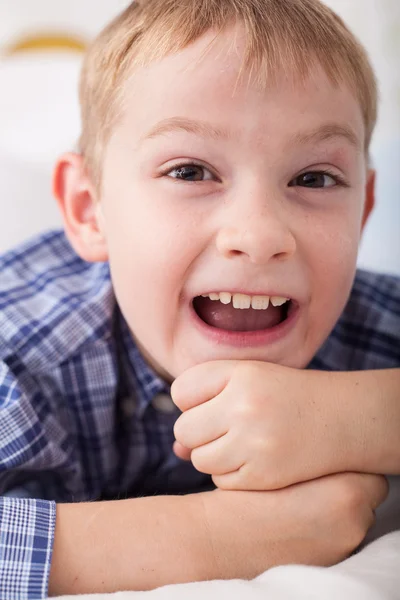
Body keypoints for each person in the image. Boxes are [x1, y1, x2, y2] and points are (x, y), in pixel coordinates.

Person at [0, 0, 399, 597]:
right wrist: (217, 536)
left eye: (314, 178)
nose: (261, 236)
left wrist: (370, 418)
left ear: (363, 212)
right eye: (190, 171)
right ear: (89, 209)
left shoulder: (372, 322)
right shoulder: (23, 357)